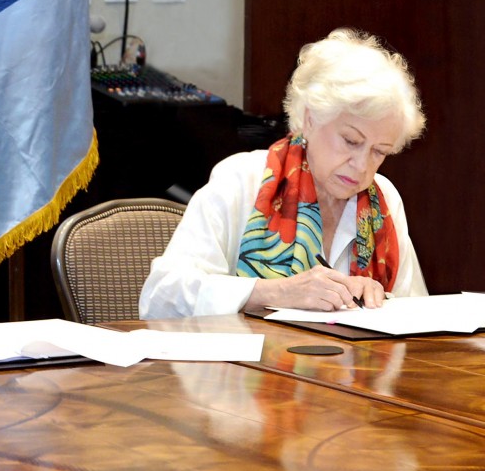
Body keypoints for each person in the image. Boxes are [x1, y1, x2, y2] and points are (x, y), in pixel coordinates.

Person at [140, 28, 429, 319]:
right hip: (244, 363)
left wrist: (381, 300)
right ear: (310, 119)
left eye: (379, 151)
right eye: (351, 141)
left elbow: (417, 315)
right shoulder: (242, 180)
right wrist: (276, 293)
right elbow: (161, 298)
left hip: (357, 365)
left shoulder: (385, 199)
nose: (362, 165)